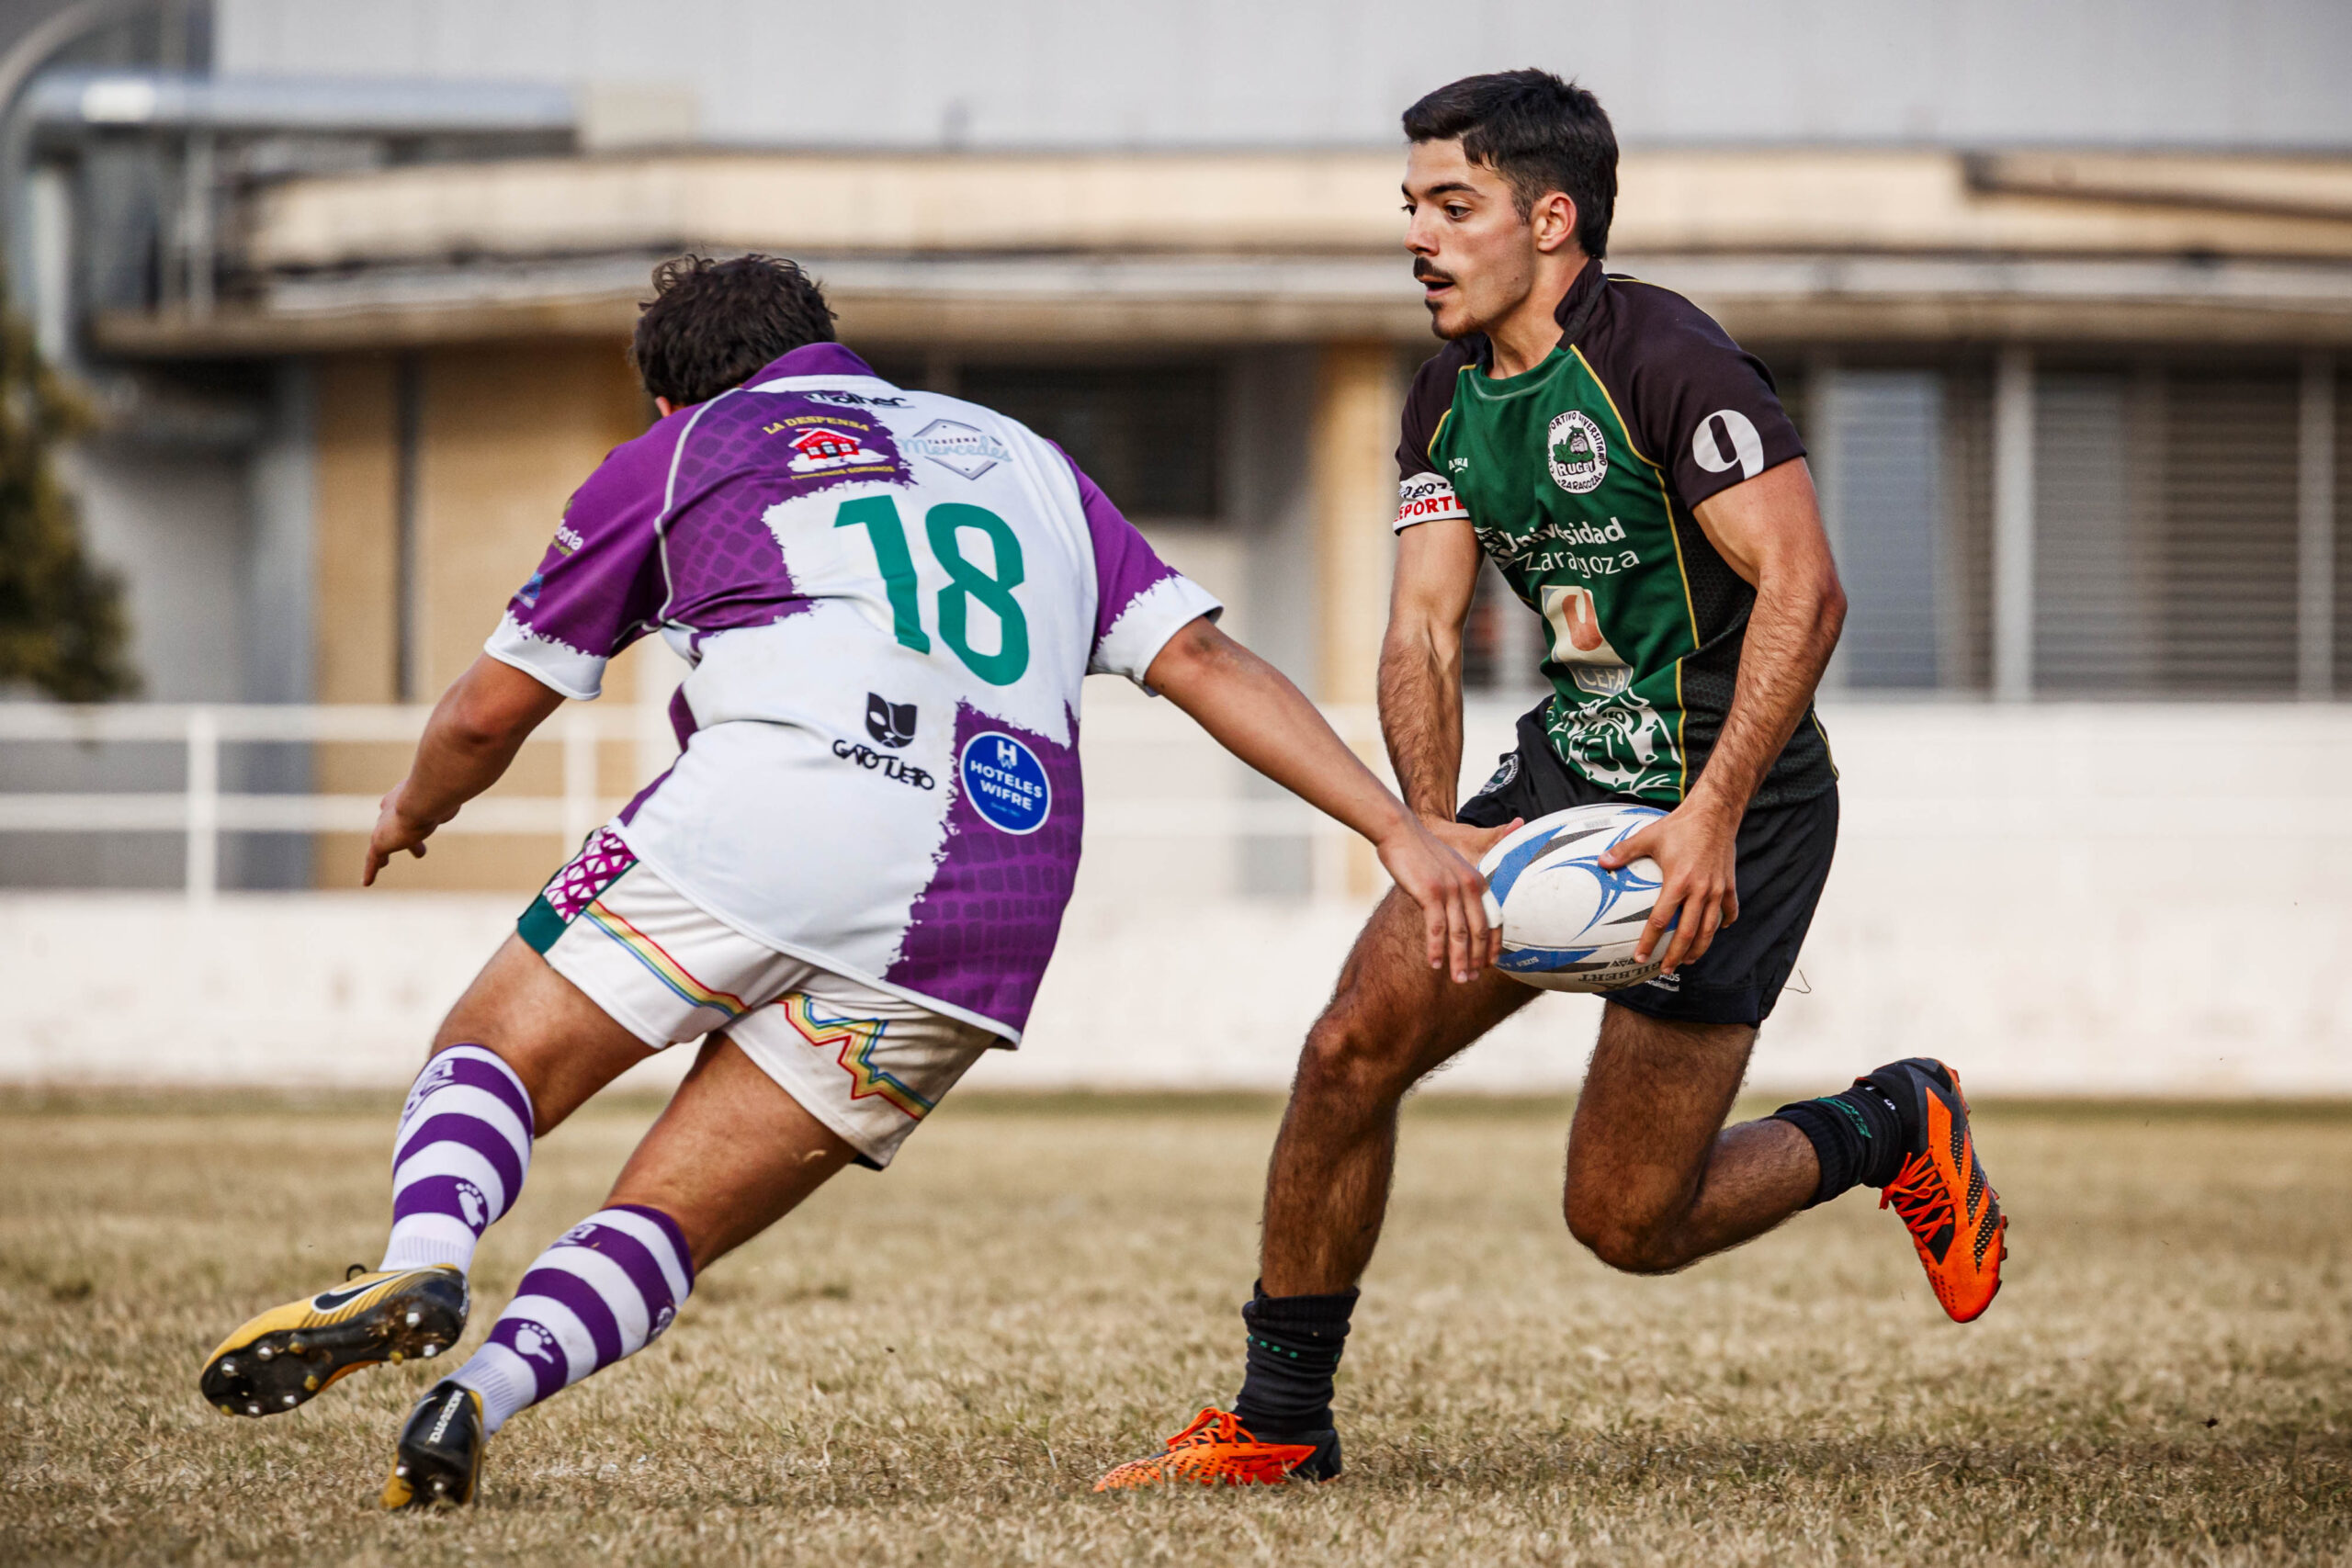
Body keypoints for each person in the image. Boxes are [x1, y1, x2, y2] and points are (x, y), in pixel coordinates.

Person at [196, 254, 1497, 1508]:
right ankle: (473, 1398)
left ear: (671, 394)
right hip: (989, 901)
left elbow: (489, 713)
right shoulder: (1025, 458)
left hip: (770, 820)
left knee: (490, 1053)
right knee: (671, 1218)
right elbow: (1204, 661)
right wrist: (1394, 827)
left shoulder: (686, 451)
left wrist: (413, 809)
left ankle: (423, 1259)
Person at [1097, 70, 2007, 1491]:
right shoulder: (1447, 394)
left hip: (1738, 814)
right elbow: (1421, 627)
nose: (1420, 236)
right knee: (1349, 1051)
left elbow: (1807, 590)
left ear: (1551, 219)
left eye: (1453, 205)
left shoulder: (1667, 361)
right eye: (1412, 205)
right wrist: (1428, 828)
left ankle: (1893, 1122)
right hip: (1566, 777)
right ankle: (1279, 1422)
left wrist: (1711, 815)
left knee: (1629, 1220)